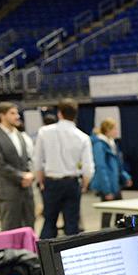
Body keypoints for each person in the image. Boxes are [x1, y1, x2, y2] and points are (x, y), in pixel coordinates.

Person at [33, 98, 94, 238]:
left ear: (59, 113)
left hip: (51, 182)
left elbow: (37, 160)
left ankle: (45, 258)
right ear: (75, 114)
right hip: (72, 183)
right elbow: (88, 167)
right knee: (72, 224)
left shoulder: (44, 132)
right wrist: (84, 184)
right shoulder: (82, 137)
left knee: (49, 221)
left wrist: (40, 180)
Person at [0, 102, 35, 231]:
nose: (17, 116)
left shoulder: (20, 135)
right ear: (2, 115)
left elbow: (27, 160)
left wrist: (30, 174)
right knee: (11, 230)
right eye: (12, 113)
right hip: (9, 192)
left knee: (29, 228)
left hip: (26, 191)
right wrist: (21, 177)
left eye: (17, 113)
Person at [90, 118, 132, 228]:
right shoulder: (99, 145)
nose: (116, 131)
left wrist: (126, 177)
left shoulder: (112, 144)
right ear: (108, 130)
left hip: (116, 185)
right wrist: (107, 190)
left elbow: (118, 165)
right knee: (107, 215)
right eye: (114, 129)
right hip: (108, 186)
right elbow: (101, 167)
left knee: (120, 213)